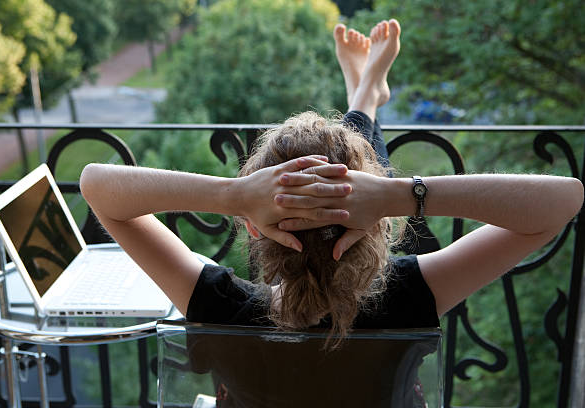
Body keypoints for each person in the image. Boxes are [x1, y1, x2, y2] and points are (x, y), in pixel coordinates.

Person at [79, 20, 583, 346]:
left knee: (348, 157)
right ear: (377, 224)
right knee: (351, 159)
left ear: (254, 228)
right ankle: (364, 97)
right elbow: (564, 199)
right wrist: (396, 194)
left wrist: (231, 196)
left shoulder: (220, 304)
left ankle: (364, 96)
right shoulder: (408, 295)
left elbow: (97, 186)